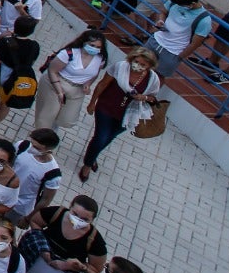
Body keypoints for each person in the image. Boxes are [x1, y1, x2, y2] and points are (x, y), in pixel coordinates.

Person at [79, 46, 161, 182]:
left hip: (127, 115)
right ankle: (87, 164)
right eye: (137, 62)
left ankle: (93, 156)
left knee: (109, 138)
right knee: (100, 137)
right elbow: (102, 84)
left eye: (143, 65)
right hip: (106, 107)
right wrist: (92, 102)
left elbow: (152, 97)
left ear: (149, 66)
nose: (138, 66)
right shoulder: (120, 67)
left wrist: (143, 97)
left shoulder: (153, 80)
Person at [33, 29, 108, 133]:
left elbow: (95, 74)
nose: (94, 49)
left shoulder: (100, 58)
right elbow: (52, 71)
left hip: (77, 89)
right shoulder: (68, 53)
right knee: (47, 115)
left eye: (98, 47)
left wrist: (88, 84)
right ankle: (41, 138)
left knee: (68, 120)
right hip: (56, 83)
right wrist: (59, 91)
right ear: (84, 42)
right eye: (92, 45)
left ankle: (53, 127)